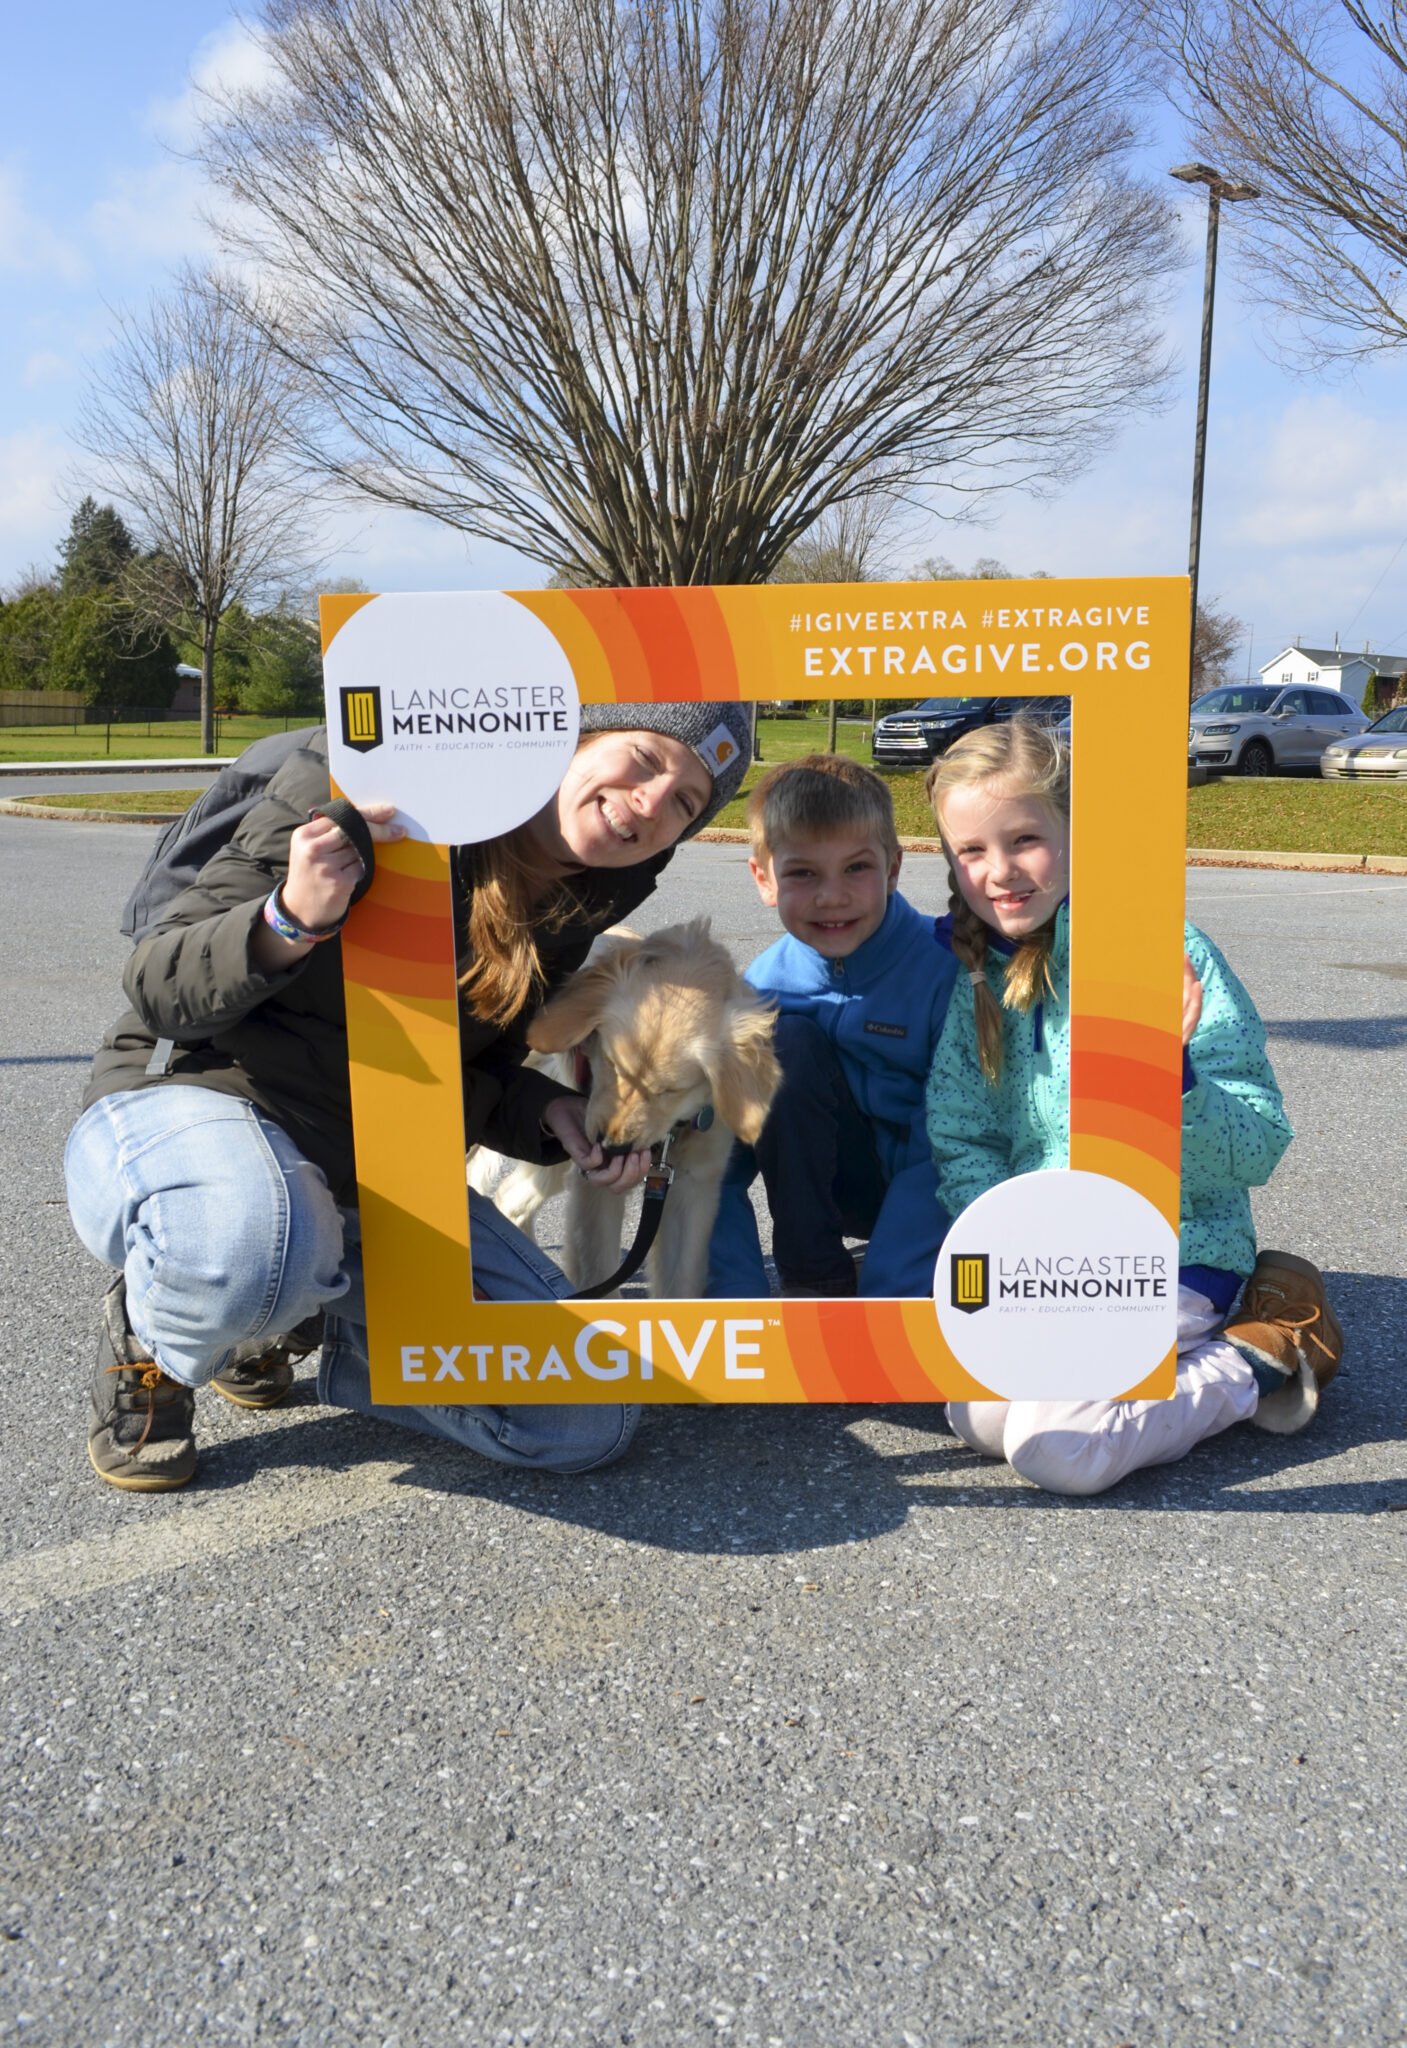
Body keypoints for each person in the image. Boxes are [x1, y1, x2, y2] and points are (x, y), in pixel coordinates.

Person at [66, 701, 751, 1492]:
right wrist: (290, 918)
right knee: (248, 1248)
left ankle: (295, 1312)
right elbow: (158, 989)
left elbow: (470, 1073)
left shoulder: (585, 900)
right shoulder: (367, 783)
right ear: (575, 737)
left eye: (685, 803)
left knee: (580, 1415)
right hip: (203, 1097)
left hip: (371, 1165)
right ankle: (157, 1338)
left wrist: (544, 1114)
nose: (649, 802)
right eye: (643, 758)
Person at [924, 717, 1343, 1497]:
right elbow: (961, 1130)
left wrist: (1172, 1079)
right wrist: (1003, 1232)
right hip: (1047, 1266)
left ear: (1079, 830)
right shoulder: (980, 976)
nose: (1000, 872)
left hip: (1176, 1253)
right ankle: (1159, 1359)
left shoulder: (1163, 952)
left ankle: (1262, 1349)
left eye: (1024, 839)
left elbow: (1258, 1144)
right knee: (976, 1419)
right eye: (971, 851)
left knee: (1057, 1450)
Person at [706, 754, 957, 1299]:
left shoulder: (946, 970)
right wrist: (733, 1305)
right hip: (836, 1189)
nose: (831, 896)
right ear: (763, 879)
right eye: (802, 873)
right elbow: (716, 1158)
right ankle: (814, 1283)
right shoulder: (760, 987)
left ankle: (881, 1288)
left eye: (856, 868)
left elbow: (945, 1144)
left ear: (893, 868)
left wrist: (888, 1299)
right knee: (782, 1041)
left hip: (941, 1191)